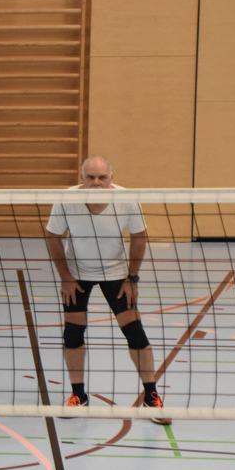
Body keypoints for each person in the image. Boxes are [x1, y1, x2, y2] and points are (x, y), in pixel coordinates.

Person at [44, 155, 169, 424]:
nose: (96, 182)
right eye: (91, 177)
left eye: (102, 177)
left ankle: (152, 397)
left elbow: (139, 236)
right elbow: (52, 236)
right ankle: (78, 396)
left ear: (111, 178)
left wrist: (132, 278)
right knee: (73, 333)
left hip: (116, 273)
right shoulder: (66, 199)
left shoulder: (126, 199)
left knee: (135, 332)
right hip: (77, 273)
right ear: (82, 178)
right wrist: (65, 277)